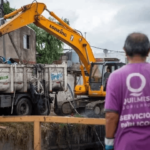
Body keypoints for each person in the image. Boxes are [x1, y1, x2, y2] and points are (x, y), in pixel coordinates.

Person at [104, 32, 150, 150]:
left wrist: (109, 144)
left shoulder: (115, 77)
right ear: (148, 51)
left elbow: (111, 116)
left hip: (126, 145)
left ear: (125, 51)